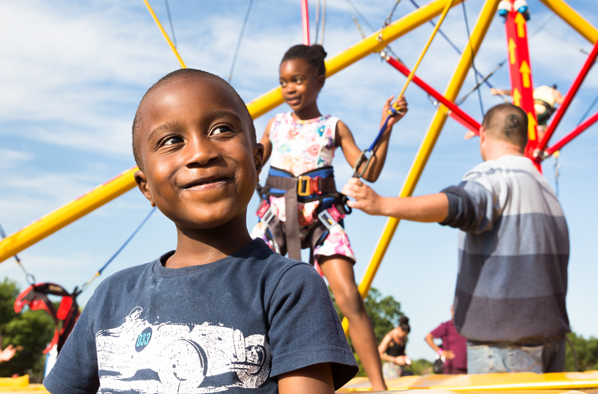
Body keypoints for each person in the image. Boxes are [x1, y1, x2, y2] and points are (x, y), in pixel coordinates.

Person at [43, 68, 359, 394]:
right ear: (145, 187)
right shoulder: (111, 297)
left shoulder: (290, 287)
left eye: (222, 129)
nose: (200, 153)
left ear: (258, 159)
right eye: (171, 141)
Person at [342, 103, 570, 374]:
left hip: (503, 346)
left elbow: (458, 204)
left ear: (482, 134)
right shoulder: (544, 188)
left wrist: (382, 204)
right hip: (553, 340)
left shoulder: (493, 176)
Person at [250, 44, 407, 390]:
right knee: (253, 290)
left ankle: (379, 385)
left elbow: (368, 170)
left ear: (319, 81)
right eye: (283, 82)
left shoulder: (333, 127)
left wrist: (387, 125)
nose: (289, 88)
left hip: (321, 213)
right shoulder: (275, 125)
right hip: (278, 213)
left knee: (349, 296)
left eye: (298, 80)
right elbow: (253, 164)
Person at [491, 84, 564, 140]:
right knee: (541, 132)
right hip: (540, 110)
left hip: (534, 109)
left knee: (536, 127)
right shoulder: (554, 92)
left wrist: (499, 91)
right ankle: (543, 149)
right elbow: (560, 101)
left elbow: (517, 92)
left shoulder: (536, 90)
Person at [425, 307, 467, 374]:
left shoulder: (468, 326)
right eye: (453, 310)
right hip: (452, 369)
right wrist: (441, 352)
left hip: (470, 367)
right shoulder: (446, 326)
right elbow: (428, 337)